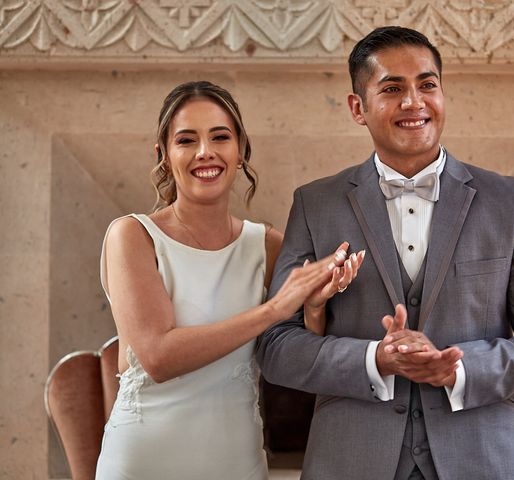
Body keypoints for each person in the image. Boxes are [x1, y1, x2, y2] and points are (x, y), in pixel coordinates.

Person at [256, 26, 514, 480]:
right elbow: (276, 348)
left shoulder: (509, 201)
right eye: (392, 88)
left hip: (485, 461)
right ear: (357, 108)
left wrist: (457, 371)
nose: (414, 102)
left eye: (427, 85)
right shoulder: (315, 204)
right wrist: (374, 360)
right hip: (352, 462)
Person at [94, 80, 364, 479]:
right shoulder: (132, 236)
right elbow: (157, 357)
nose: (205, 152)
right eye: (186, 140)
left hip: (236, 462)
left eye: (220, 137)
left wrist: (313, 303)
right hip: (142, 463)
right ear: (164, 156)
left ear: (240, 151)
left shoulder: (267, 246)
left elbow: (302, 349)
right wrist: (274, 308)